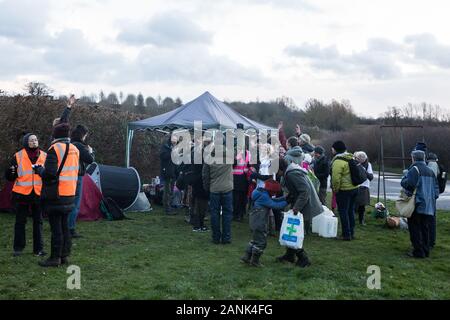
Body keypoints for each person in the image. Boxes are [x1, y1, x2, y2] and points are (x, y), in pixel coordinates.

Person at [34, 122, 80, 267]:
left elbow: (50, 175)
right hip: (70, 193)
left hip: (57, 194)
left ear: (55, 135)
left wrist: (39, 170)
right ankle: (64, 255)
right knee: (65, 226)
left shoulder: (54, 149)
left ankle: (54, 258)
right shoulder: (75, 149)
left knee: (56, 228)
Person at [276, 154, 323, 268]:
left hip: (305, 204)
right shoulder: (290, 172)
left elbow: (304, 191)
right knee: (290, 230)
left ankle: (303, 258)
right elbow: (294, 191)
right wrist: (283, 200)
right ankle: (289, 255)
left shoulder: (292, 174)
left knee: (295, 232)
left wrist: (296, 208)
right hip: (301, 203)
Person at [5, 133, 47, 257]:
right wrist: (9, 173)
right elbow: (11, 176)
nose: (34, 142)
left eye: (36, 139)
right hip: (22, 194)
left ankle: (38, 249)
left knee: (38, 222)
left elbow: (48, 174)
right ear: (26, 143)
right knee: (20, 222)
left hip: (38, 193)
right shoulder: (18, 156)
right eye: (31, 140)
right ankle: (18, 248)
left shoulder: (45, 156)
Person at [401, 150, 439, 258]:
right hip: (428, 204)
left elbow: (409, 184)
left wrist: (404, 177)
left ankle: (418, 252)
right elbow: (436, 189)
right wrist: (432, 198)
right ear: (423, 158)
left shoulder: (414, 169)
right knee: (425, 227)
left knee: (415, 228)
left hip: (416, 203)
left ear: (413, 158)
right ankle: (426, 250)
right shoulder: (430, 170)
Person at [241, 179, 287, 267]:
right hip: (259, 223)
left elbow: (273, 200)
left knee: (255, 240)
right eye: (274, 193)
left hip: (254, 222)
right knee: (261, 242)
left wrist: (284, 198)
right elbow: (275, 205)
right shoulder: (264, 197)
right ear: (271, 191)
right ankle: (255, 261)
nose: (275, 195)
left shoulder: (261, 193)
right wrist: (287, 202)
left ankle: (246, 257)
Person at [202, 134, 234, 244]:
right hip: (227, 189)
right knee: (227, 214)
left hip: (214, 189)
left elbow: (205, 175)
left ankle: (216, 238)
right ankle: (226, 238)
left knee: (214, 214)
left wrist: (207, 188)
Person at [68, 125, 94, 238]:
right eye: (85, 135)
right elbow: (90, 160)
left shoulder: (69, 143)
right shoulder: (79, 145)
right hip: (76, 176)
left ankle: (64, 226)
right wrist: (91, 151)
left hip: (67, 176)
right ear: (82, 135)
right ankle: (70, 229)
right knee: (75, 204)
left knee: (67, 203)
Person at [330, 141, 359, 241]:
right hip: (355, 188)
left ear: (335, 149)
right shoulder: (350, 157)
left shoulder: (338, 161)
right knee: (350, 211)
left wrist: (335, 189)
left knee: (343, 212)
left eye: (332, 148)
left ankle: (346, 234)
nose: (331, 150)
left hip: (344, 190)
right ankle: (352, 232)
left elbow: (335, 179)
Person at [354, 151, 374, 226]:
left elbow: (371, 177)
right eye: (359, 159)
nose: (361, 161)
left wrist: (363, 169)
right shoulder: (354, 163)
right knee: (353, 205)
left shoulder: (368, 165)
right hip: (355, 186)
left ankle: (361, 220)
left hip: (364, 187)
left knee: (362, 206)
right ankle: (352, 219)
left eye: (362, 159)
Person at [160, 134, 178, 215]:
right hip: (167, 172)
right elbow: (163, 157)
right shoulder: (165, 147)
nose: (175, 140)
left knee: (171, 191)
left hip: (173, 172)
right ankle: (167, 208)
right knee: (167, 191)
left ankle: (169, 206)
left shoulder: (176, 147)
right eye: (174, 138)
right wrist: (172, 151)